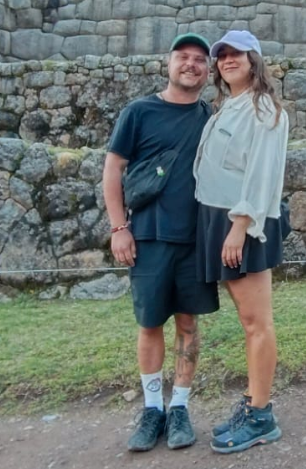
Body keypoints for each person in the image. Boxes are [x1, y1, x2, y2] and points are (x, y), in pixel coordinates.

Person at [102, 33, 220, 452]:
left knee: (188, 322)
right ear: (168, 63)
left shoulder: (210, 117)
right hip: (149, 236)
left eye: (200, 59)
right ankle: (153, 408)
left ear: (208, 71)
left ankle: (180, 407)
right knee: (150, 322)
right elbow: (113, 169)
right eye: (183, 57)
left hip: (195, 238)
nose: (191, 64)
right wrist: (119, 227)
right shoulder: (139, 112)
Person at [193, 30, 289, 454]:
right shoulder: (228, 106)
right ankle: (253, 401)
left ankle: (261, 416)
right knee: (247, 321)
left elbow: (263, 172)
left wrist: (240, 225)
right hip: (218, 217)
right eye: (223, 54)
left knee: (256, 322)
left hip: (241, 222)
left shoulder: (263, 108)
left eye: (237, 53)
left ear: (254, 60)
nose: (228, 59)